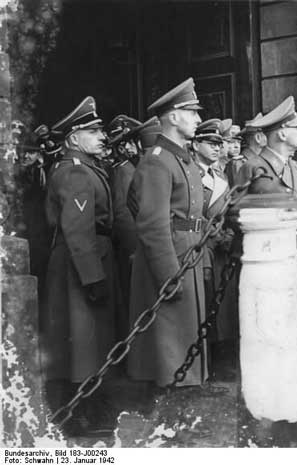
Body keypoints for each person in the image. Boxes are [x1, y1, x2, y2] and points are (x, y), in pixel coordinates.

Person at [235, 95, 297, 424]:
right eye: (296, 127)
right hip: (276, 258)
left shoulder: (296, 168)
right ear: (281, 133)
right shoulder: (256, 168)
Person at [127, 77, 208, 388]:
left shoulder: (181, 159)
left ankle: (181, 406)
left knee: (185, 338)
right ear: (173, 117)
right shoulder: (158, 163)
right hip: (171, 260)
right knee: (169, 346)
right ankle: (168, 418)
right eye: (192, 112)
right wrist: (168, 275)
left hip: (188, 251)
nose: (198, 119)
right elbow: (152, 224)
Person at [43, 96, 117, 435]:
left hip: (80, 258)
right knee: (83, 340)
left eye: (100, 130)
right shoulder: (75, 172)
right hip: (81, 261)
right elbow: (77, 228)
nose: (102, 136)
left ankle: (82, 409)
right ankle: (77, 415)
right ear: (74, 138)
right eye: (93, 131)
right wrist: (92, 277)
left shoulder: (78, 167)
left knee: (82, 340)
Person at [190, 118, 237, 382]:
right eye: (211, 143)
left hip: (220, 249)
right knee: (204, 305)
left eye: (220, 143)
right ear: (196, 145)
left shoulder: (220, 176)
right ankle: (204, 362)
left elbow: (228, 211)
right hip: (201, 248)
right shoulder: (191, 174)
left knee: (222, 306)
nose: (217, 148)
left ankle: (219, 360)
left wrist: (227, 234)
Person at [106, 115, 142, 342]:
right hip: (131, 242)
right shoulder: (124, 171)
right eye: (127, 142)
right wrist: (134, 246)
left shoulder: (128, 168)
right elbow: (123, 215)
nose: (132, 146)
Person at [225, 113, 265, 186]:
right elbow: (237, 194)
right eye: (266, 133)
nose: (269, 136)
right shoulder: (238, 163)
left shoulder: (261, 159)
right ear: (258, 138)